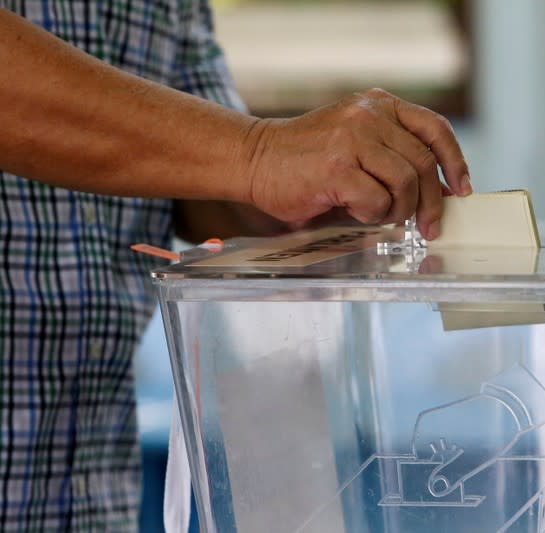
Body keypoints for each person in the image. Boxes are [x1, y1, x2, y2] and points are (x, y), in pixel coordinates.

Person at [0, 3, 471, 530]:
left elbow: (201, 168)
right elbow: (245, 158)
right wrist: (260, 153)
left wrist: (308, 199)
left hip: (89, 490)